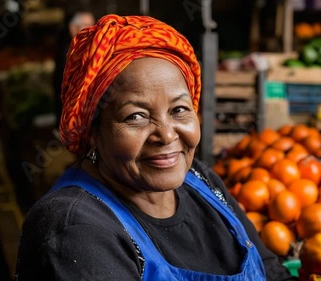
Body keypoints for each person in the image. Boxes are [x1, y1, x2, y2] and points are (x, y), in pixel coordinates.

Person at [15, 14, 297, 281]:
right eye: (135, 116)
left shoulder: (200, 180)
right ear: (92, 131)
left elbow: (272, 272)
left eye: (179, 110)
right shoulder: (73, 229)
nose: (166, 134)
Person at [53, 9, 95, 126]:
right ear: (73, 27)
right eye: (87, 26)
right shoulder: (69, 50)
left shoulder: (86, 46)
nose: (92, 30)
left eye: (93, 25)